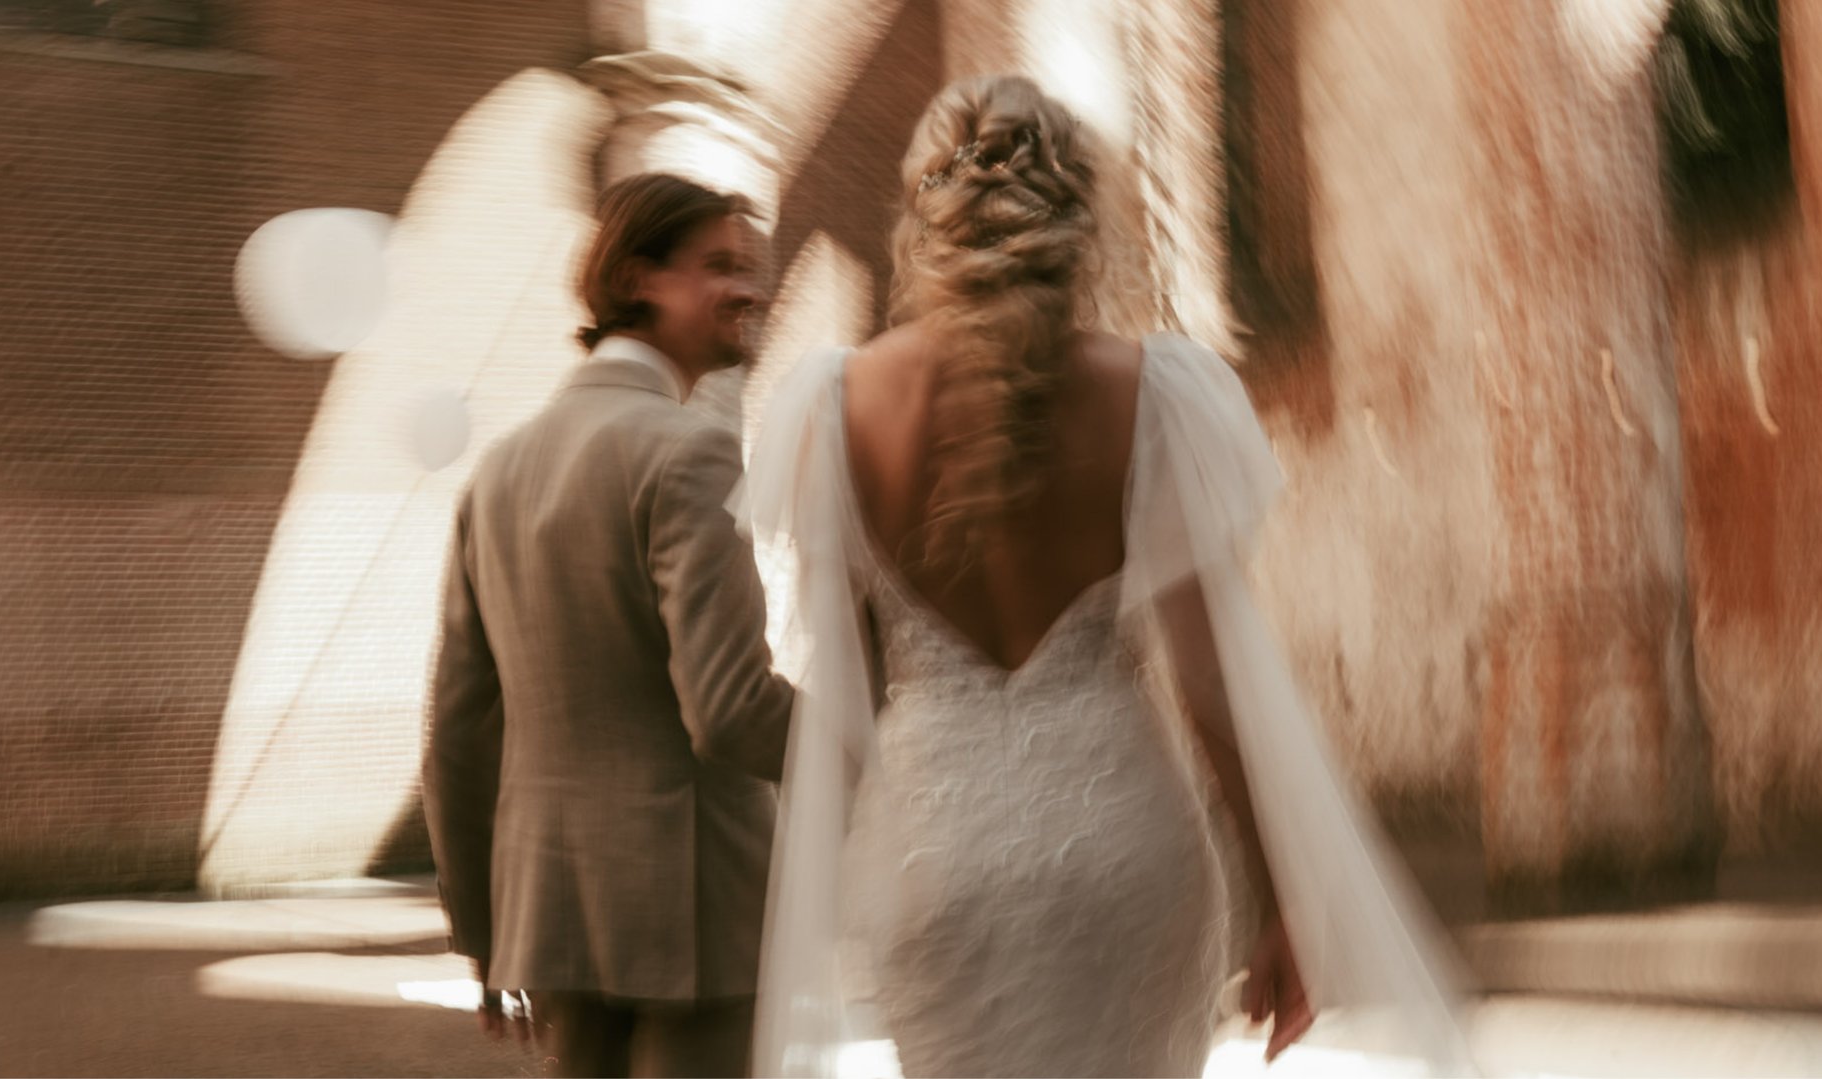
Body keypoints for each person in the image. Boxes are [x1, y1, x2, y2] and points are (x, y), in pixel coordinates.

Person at [741, 76, 1476, 1077]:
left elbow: (839, 698)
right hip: (1127, 845)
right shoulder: (1156, 394)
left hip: (935, 859)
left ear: (925, 215)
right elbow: (1214, 682)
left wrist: (826, 887)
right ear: (1077, 218)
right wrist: (1281, 892)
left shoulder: (829, 406)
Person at [424, 172, 794, 1078]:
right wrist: (878, 738)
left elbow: (459, 728)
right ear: (637, 278)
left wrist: (482, 928)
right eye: (719, 266)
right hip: (695, 913)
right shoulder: (690, 449)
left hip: (549, 918)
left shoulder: (498, 470)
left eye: (749, 266)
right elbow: (733, 709)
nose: (751, 289)